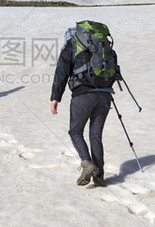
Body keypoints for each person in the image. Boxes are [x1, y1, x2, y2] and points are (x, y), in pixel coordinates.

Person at [50, 24, 119, 187]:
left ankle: (87, 164)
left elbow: (61, 73)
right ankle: (100, 176)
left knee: (75, 131)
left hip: (83, 94)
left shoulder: (71, 46)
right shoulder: (102, 45)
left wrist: (55, 99)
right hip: (105, 94)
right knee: (95, 135)